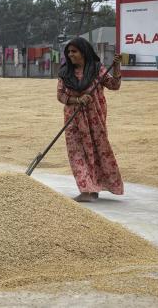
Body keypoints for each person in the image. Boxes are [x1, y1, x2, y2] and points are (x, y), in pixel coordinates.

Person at [57, 37, 123, 202]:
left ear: (84, 52)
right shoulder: (65, 73)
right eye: (69, 52)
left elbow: (114, 85)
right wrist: (78, 100)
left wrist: (116, 67)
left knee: (97, 151)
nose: (70, 55)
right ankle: (86, 190)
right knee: (77, 152)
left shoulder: (97, 69)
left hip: (95, 119)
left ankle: (94, 189)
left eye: (74, 51)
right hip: (73, 119)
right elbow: (60, 95)